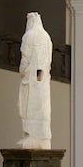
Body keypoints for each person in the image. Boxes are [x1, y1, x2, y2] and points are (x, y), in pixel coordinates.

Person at [16, 12, 52, 149]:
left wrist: (22, 71)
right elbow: (49, 62)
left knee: (28, 108)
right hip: (43, 82)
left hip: (31, 80)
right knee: (42, 109)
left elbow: (24, 61)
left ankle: (31, 136)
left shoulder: (28, 36)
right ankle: (42, 137)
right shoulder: (46, 38)